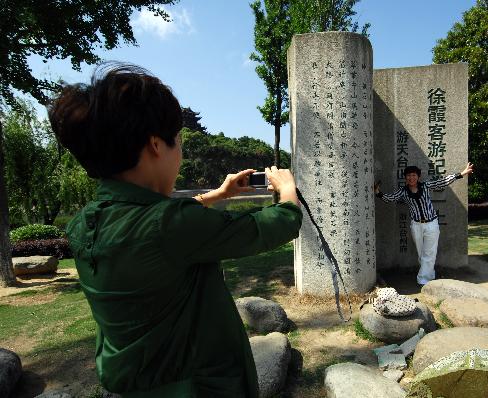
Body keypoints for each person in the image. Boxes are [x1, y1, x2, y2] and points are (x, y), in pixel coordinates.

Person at [48, 63, 302, 397]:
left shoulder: (84, 224)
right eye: (177, 141)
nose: (179, 152)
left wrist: (218, 194)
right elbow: (272, 225)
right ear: (156, 145)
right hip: (195, 386)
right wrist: (287, 192)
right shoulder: (170, 225)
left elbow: (156, 223)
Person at [374, 163, 473, 285]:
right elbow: (389, 198)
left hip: (431, 224)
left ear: (418, 177)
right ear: (406, 178)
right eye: (409, 175)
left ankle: (422, 280)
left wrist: (461, 174)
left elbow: (442, 182)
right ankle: (430, 276)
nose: (411, 177)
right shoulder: (403, 192)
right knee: (421, 253)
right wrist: (378, 193)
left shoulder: (426, 186)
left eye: (414, 175)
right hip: (416, 225)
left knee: (429, 253)